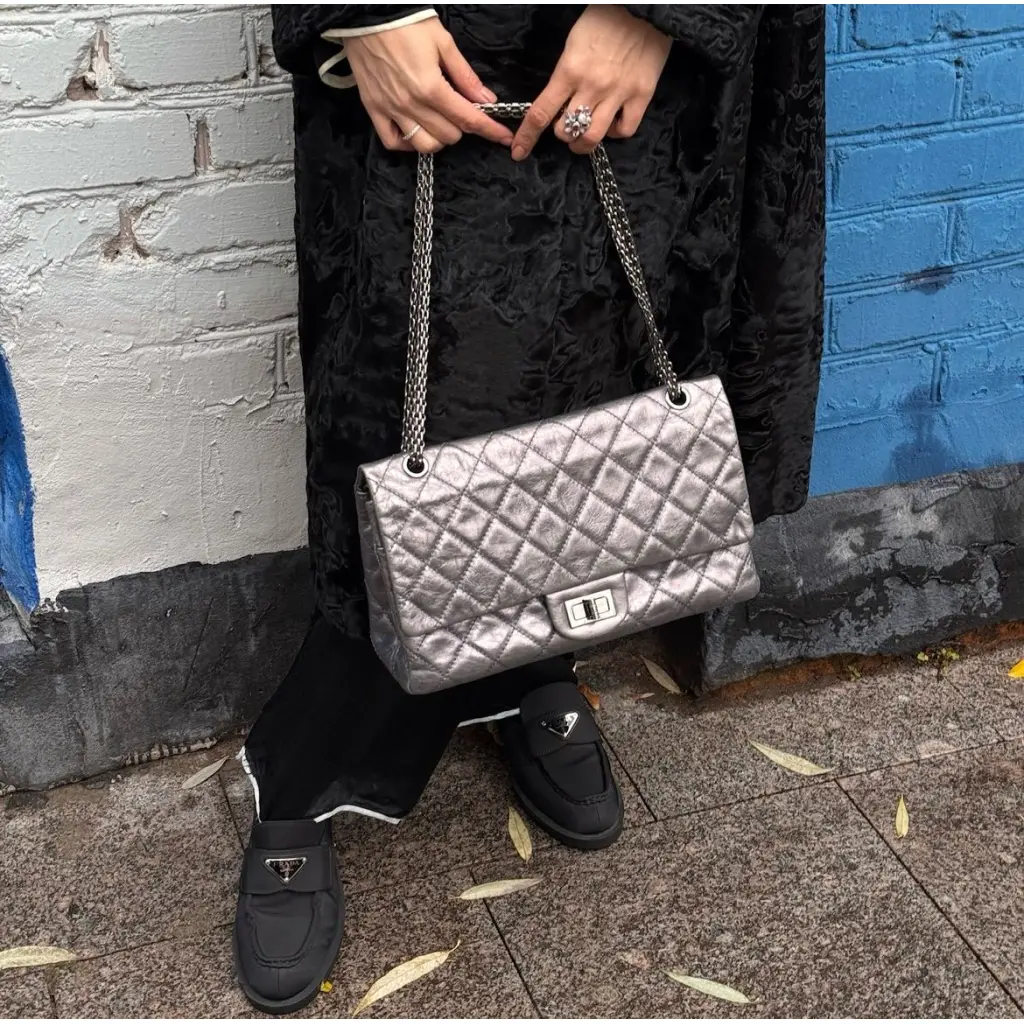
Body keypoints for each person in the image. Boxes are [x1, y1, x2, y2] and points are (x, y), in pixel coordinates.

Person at [233, 5, 825, 1014]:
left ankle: (529, 659)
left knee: (618, 398)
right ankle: (309, 765)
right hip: (449, 47)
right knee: (421, 417)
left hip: (672, 69)